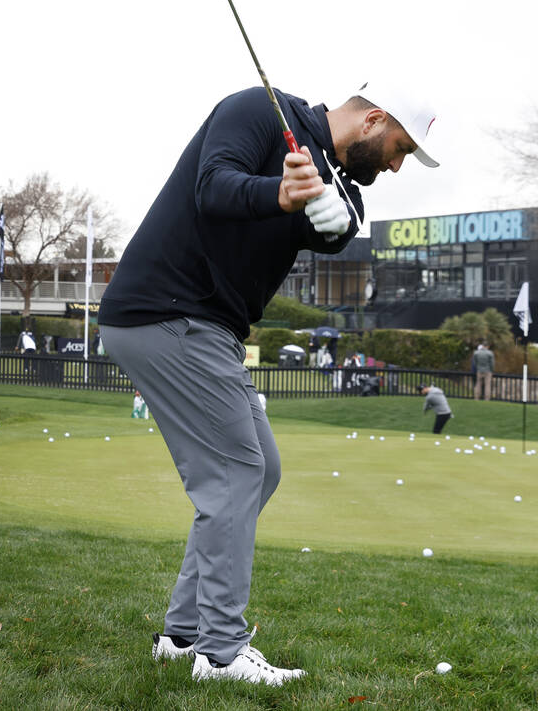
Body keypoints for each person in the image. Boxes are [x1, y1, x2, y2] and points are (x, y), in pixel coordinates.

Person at [98, 81, 438, 687]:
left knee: (262, 471)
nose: (395, 163)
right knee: (232, 474)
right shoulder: (260, 110)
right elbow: (214, 187)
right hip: (169, 310)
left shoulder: (345, 188)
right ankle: (221, 653)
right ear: (374, 120)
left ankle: (181, 637)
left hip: (207, 328)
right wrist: (281, 193)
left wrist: (335, 223)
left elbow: (337, 231)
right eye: (399, 148)